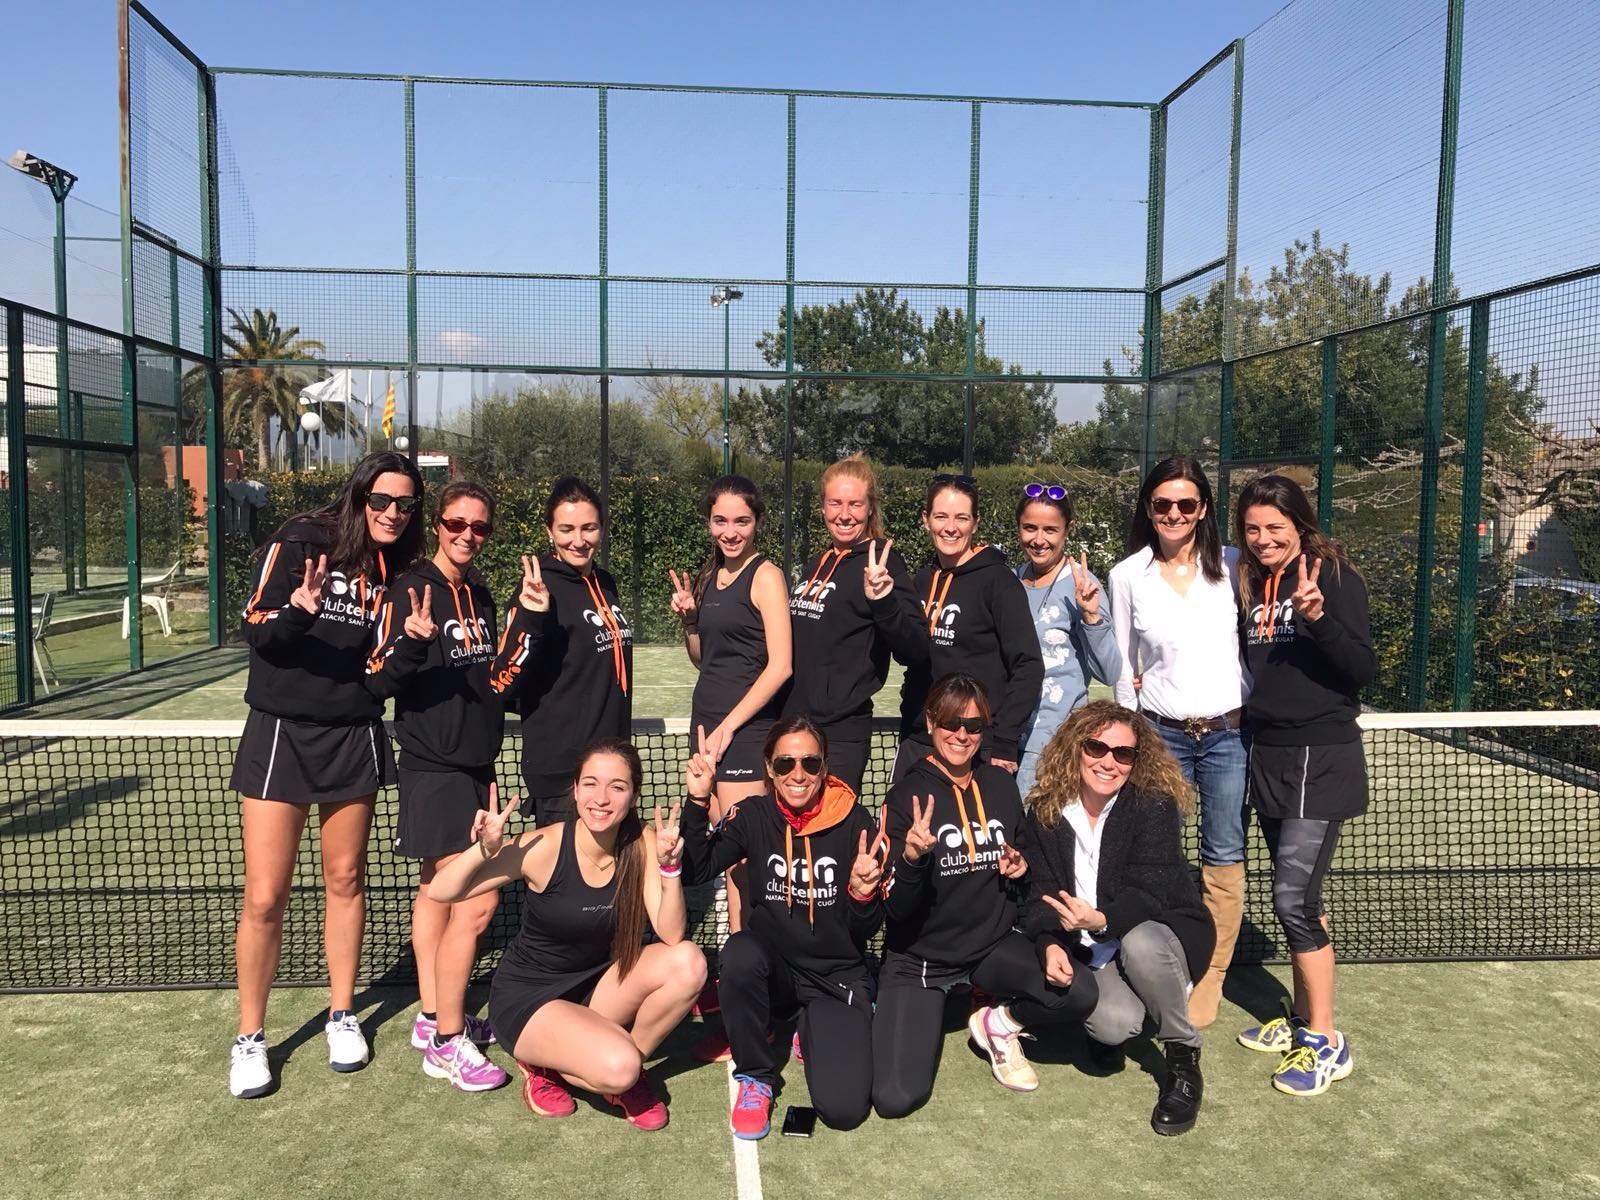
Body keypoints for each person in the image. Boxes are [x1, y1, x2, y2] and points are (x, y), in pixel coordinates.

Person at [227, 451, 424, 1099]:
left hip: (355, 734)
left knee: (345, 879)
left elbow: (385, 667)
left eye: (405, 504)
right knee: (265, 896)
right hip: (281, 731)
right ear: (359, 495)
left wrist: (416, 650)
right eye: (382, 501)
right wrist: (301, 610)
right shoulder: (301, 538)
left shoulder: (400, 570)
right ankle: (251, 1038)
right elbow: (259, 631)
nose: (393, 513)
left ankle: (344, 1014)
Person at [428, 742, 707, 1129]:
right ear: (575, 790)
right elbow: (442, 890)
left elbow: (672, 933)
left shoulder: (642, 843)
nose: (601, 798)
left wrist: (670, 869)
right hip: (530, 1000)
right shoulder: (546, 845)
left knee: (689, 962)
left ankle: (617, 1073)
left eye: (617, 787)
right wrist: (484, 849)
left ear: (633, 795)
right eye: (590, 784)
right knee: (620, 1066)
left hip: (596, 988)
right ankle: (556, 1063)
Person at [874, 674, 1097, 1117]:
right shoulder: (906, 796)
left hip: (990, 947)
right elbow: (896, 909)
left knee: (1080, 992)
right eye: (952, 723)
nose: (962, 735)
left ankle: (996, 1023)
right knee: (896, 1097)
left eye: (974, 726)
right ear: (932, 722)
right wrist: (913, 859)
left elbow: (1026, 868)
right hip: (921, 960)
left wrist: (1020, 866)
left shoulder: (999, 786)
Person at [364, 480, 510, 1093]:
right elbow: (375, 677)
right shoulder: (410, 587)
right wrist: (408, 642)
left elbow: (489, 682)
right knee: (476, 901)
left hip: (474, 766)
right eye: (457, 524)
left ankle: (431, 1017)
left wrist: (490, 765)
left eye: (479, 527)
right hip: (432, 765)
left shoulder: (480, 591)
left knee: (437, 893)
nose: (467, 535)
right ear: (439, 524)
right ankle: (448, 1043)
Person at [1232, 474, 1374, 1098]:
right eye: (1253, 529)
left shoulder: (1332, 574)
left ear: (1300, 524)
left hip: (1323, 753)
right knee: (1292, 897)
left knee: (1294, 901)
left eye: (1275, 529)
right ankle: (1297, 1018)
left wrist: (1317, 619)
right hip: (1269, 752)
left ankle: (1325, 1040)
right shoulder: (1249, 582)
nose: (1263, 540)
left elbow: (1361, 669)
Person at [680, 717, 886, 1139]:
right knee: (739, 953)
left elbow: (865, 928)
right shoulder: (754, 815)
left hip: (835, 977)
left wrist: (863, 894)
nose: (798, 774)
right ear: (769, 769)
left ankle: (806, 1026)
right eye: (786, 763)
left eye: (810, 763)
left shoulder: (854, 821)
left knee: (844, 1110)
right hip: (774, 973)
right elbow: (695, 868)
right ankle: (757, 1077)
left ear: (825, 767)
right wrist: (698, 802)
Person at [1020, 700, 1215, 1135]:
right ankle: (1129, 1017)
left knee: (1139, 943)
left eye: (1123, 753)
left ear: (1135, 760)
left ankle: (1183, 1059)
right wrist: (1049, 941)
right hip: (1095, 949)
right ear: (1076, 748)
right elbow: (1040, 894)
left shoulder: (1152, 806)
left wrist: (1100, 919)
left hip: (1161, 934)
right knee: (1114, 1026)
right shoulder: (1046, 811)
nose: (1108, 762)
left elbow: (1150, 891)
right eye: (1097, 748)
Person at [1108, 455, 1248, 1029]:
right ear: (1149, 508)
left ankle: (1212, 973)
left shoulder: (1236, 566)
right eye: (1162, 503)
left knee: (1223, 855)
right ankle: (1166, 964)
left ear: (1203, 510)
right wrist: (1127, 741)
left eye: (1186, 504)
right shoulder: (1126, 575)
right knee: (1156, 854)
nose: (1174, 513)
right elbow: (1123, 668)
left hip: (1227, 738)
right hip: (1159, 736)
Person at [669, 475, 792, 935]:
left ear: (757, 522)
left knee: (746, 860)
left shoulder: (767, 575)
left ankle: (748, 966)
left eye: (741, 520)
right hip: (707, 731)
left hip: (745, 735)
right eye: (720, 520)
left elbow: (780, 667)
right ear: (709, 523)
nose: (730, 531)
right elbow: (705, 660)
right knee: (724, 858)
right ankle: (737, 963)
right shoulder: (710, 576)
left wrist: (729, 728)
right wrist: (690, 623)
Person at [490, 476, 632, 828]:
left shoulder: (605, 581)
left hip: (610, 767)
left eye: (589, 528)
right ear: (549, 531)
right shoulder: (538, 589)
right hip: (563, 775)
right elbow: (501, 683)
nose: (579, 540)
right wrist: (530, 619)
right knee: (562, 880)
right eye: (566, 528)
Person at [783, 455, 927, 793]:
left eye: (854, 504)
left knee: (831, 839)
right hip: (792, 729)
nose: (844, 514)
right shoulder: (816, 562)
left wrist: (883, 601)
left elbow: (916, 649)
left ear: (870, 508)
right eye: (835, 503)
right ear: (822, 507)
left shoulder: (883, 561)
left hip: (841, 735)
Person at [896, 475, 1043, 782]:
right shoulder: (922, 580)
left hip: (975, 744)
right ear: (926, 520)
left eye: (961, 517)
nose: (951, 527)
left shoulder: (999, 583)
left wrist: (1003, 741)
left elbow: (1028, 665)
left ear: (975, 523)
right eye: (941, 516)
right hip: (920, 739)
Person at [1013, 484, 1120, 798]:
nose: (1039, 539)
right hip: (1008, 735)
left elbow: (1109, 671)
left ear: (1067, 530)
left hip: (1053, 742)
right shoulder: (1011, 579)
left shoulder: (1083, 585)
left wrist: (1091, 618)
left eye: (1050, 530)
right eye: (1029, 528)